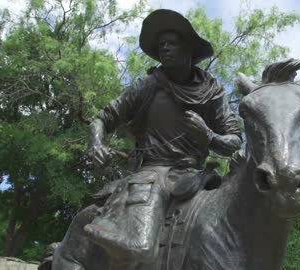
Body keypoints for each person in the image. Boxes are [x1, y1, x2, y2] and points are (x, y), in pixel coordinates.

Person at [83, 9, 242, 268]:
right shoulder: (149, 85)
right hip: (152, 172)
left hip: (195, 175)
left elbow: (235, 141)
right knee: (140, 246)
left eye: (172, 43)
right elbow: (102, 118)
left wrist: (209, 136)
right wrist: (96, 144)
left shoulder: (213, 92)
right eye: (161, 45)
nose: (164, 49)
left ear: (189, 49)